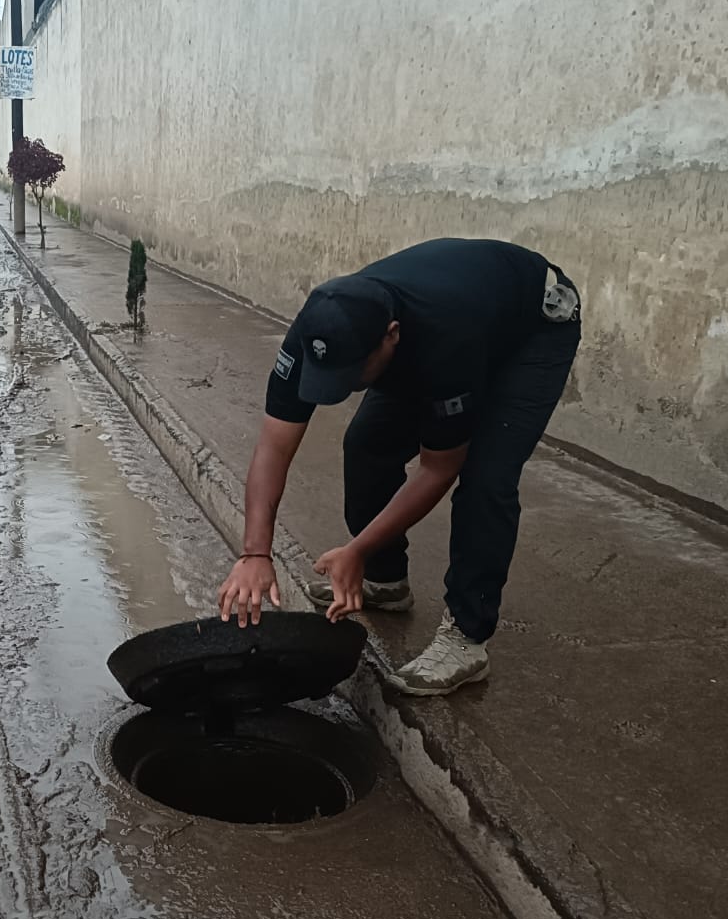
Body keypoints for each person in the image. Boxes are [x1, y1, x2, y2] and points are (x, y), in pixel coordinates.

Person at [217, 238, 582, 696]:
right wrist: (255, 553)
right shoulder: (318, 327)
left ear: (390, 335)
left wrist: (357, 548)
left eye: (354, 374)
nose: (344, 387)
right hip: (457, 313)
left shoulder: (445, 341)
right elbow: (274, 444)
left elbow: (439, 468)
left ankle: (467, 638)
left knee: (486, 478)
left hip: (536, 326)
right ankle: (387, 581)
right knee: (367, 443)